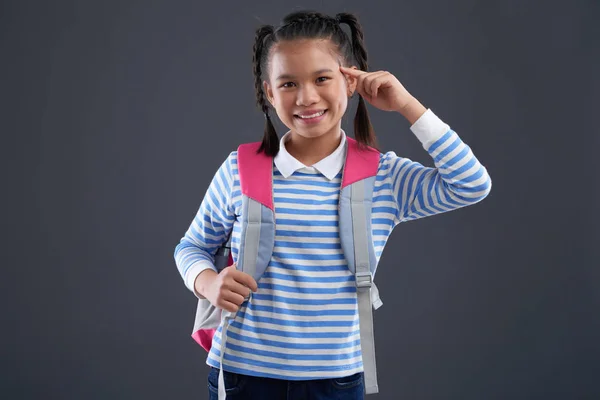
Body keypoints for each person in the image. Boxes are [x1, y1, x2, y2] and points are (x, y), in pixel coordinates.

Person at [174, 10, 492, 400]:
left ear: (351, 81)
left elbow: (470, 184)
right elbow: (191, 248)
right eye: (288, 83)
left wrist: (408, 104)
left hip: (336, 381)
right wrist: (208, 283)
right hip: (242, 375)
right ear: (270, 93)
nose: (306, 97)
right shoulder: (239, 169)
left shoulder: (384, 177)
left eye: (322, 78)